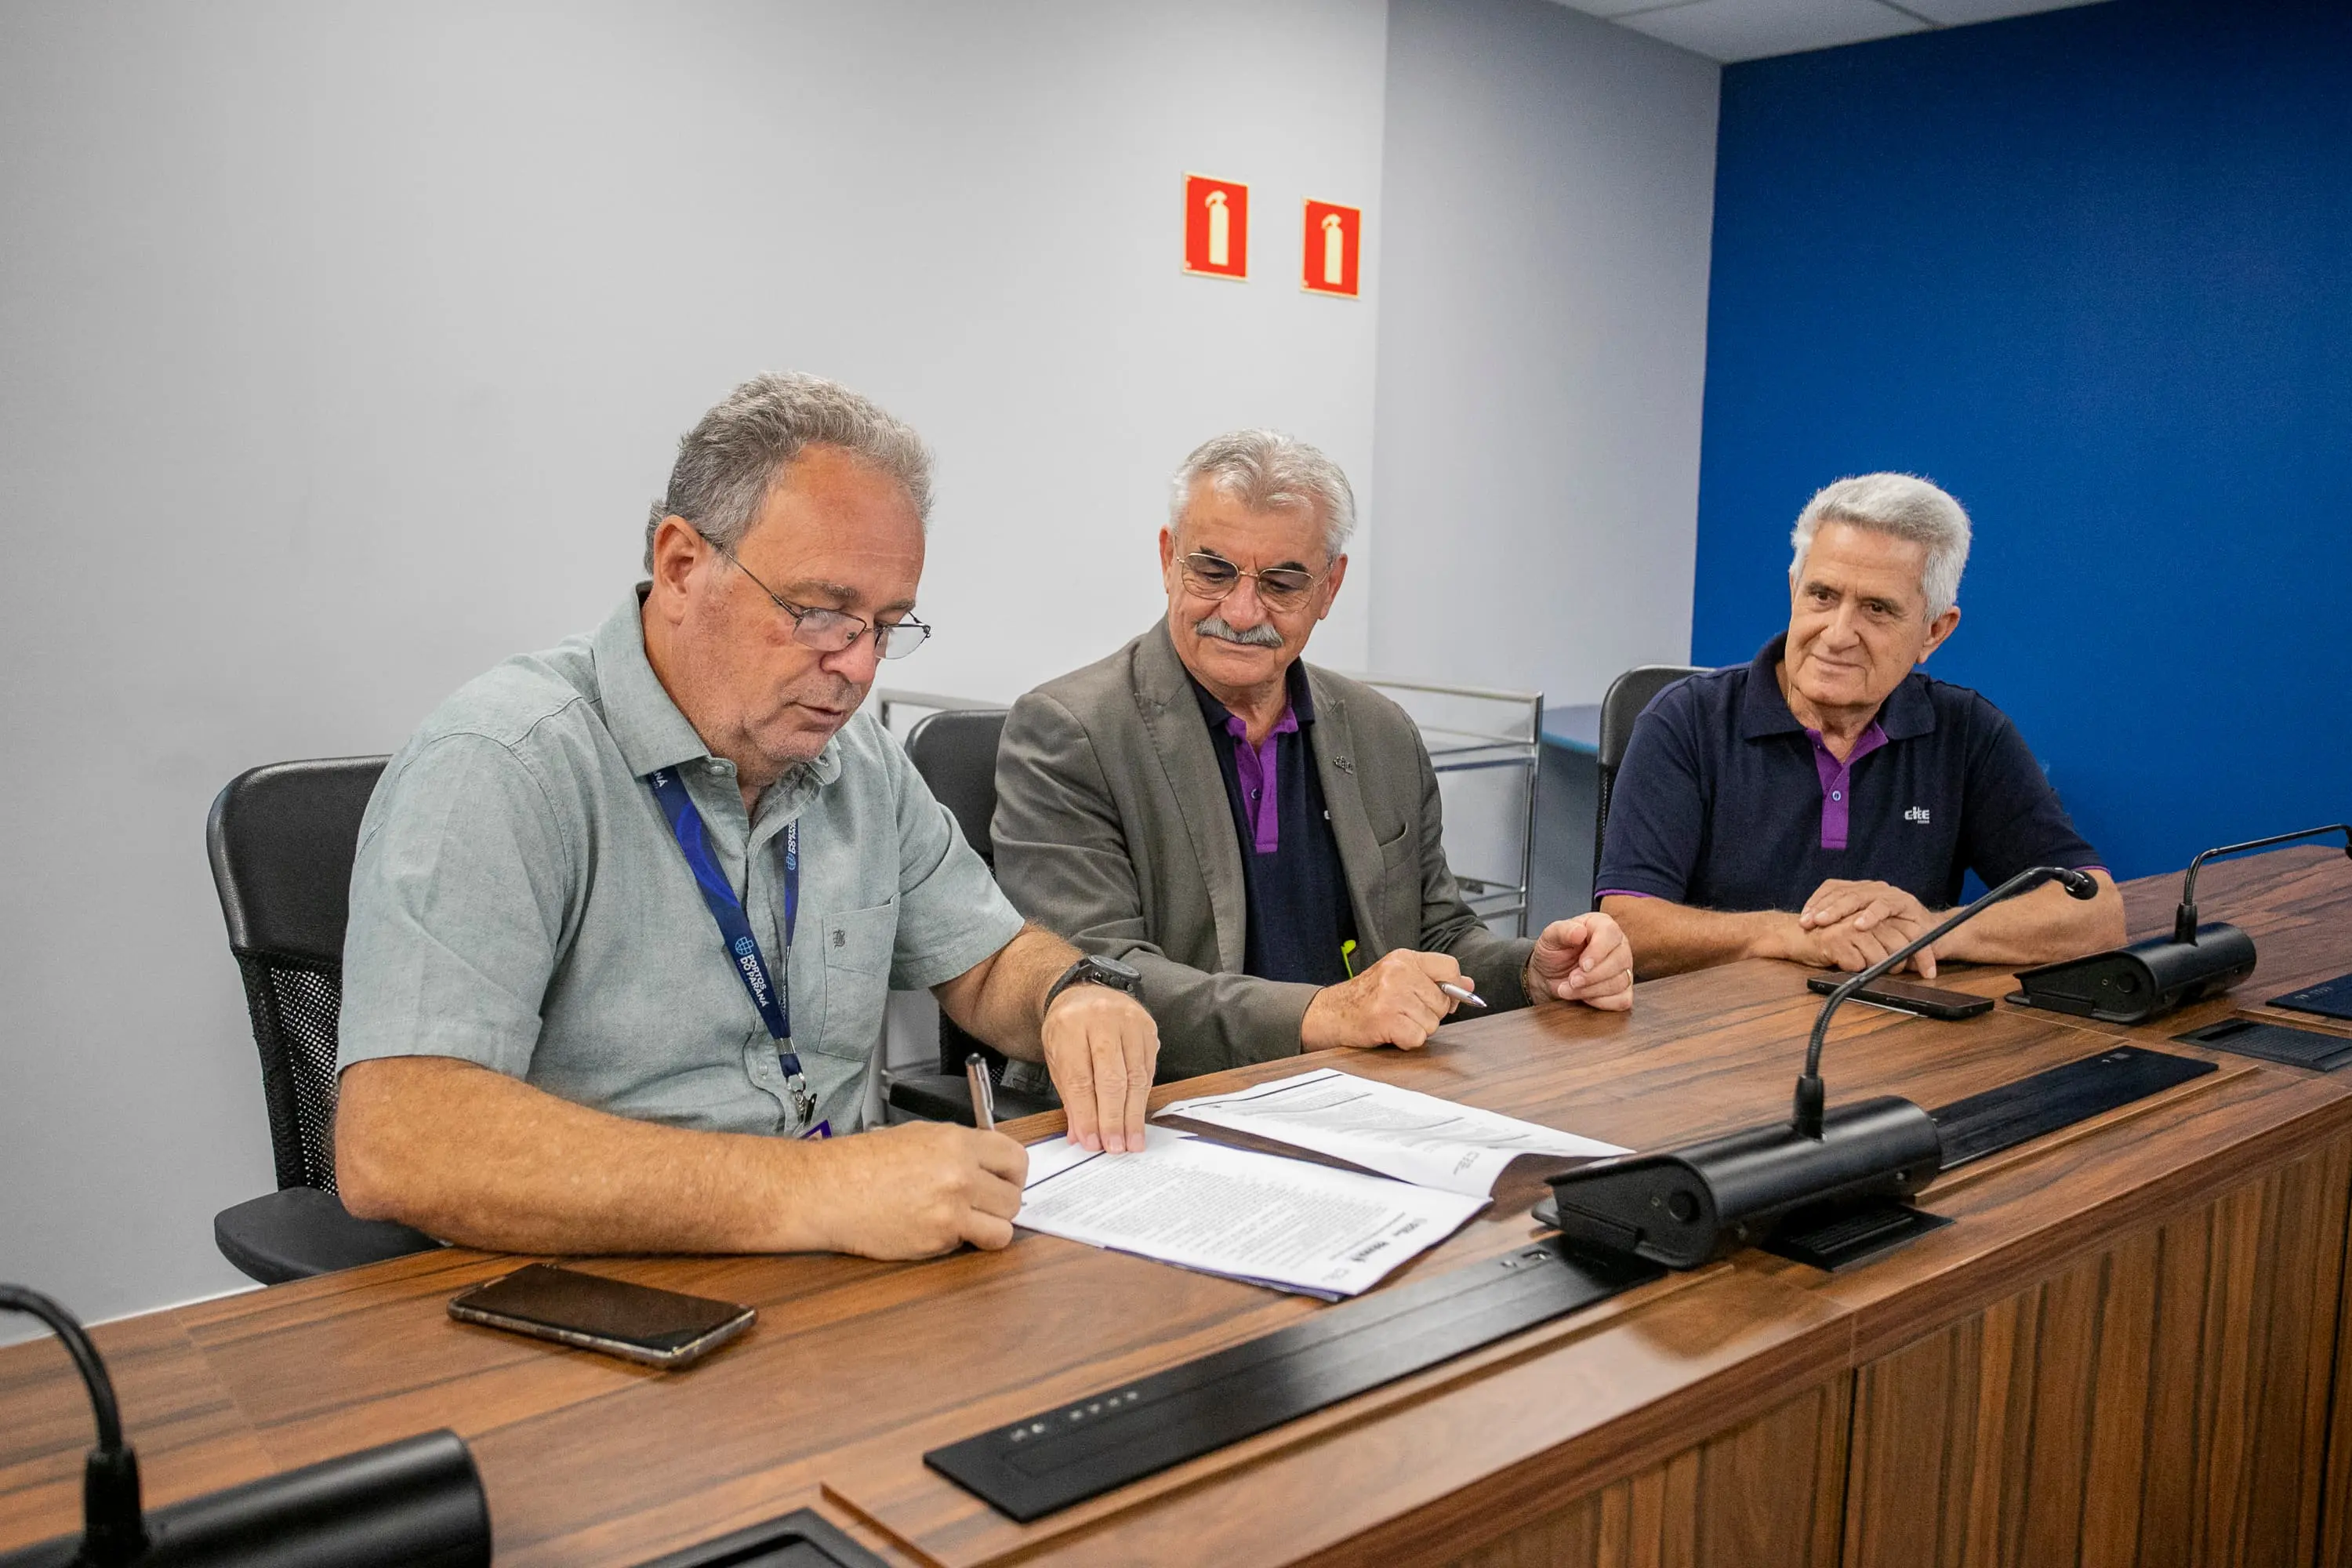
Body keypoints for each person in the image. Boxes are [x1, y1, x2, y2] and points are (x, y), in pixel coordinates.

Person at [334, 373, 1160, 1262]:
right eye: (819, 612)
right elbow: (402, 1138)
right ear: (683, 565)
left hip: (846, 1280)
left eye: (885, 625)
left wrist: (1069, 993)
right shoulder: (504, 763)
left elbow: (987, 957)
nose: (856, 667)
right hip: (592, 1295)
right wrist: (817, 1189)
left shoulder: (857, 760)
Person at [992, 429, 1632, 1084]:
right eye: (1211, 571)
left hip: (1364, 1093)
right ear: (1167, 559)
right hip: (1157, 1105)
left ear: (1329, 588)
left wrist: (1532, 972)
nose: (1241, 613)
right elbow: (1097, 975)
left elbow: (1436, 936)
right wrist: (1325, 1012)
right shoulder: (1069, 733)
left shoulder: (1382, 732)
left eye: (1282, 583)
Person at [1596, 472, 2125, 978]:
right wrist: (1791, 936)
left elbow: (2096, 911)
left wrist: (1931, 933)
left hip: (1892, 1041)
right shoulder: (1684, 720)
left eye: (1877, 608)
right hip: (1709, 1045)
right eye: (1822, 595)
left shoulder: (1968, 733)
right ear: (1793, 590)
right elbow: (1628, 925)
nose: (1838, 633)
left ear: (1934, 632)